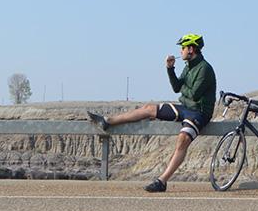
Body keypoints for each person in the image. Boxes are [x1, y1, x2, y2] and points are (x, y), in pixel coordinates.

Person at [87, 33, 216, 192]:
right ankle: (108, 121)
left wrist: (183, 94)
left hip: (199, 113)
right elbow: (177, 88)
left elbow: (195, 94)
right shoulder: (188, 66)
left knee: (182, 139)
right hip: (186, 107)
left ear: (191, 49)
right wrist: (170, 69)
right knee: (149, 108)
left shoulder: (204, 69)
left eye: (183, 48)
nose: (181, 51)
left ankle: (162, 181)